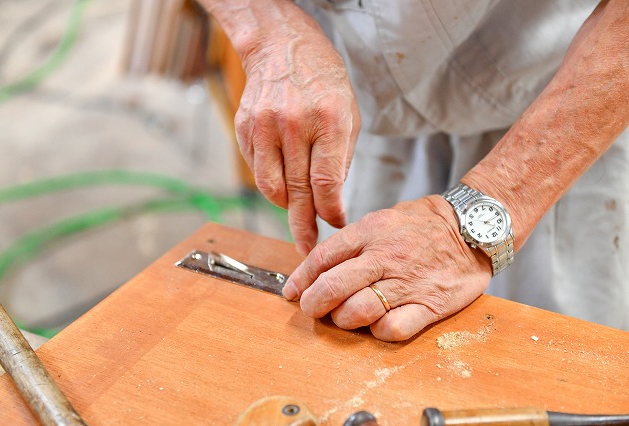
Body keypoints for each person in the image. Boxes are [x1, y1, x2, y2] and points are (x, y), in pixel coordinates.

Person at [198, 0, 629, 341]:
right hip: (354, 106)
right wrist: (269, 31)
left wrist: (483, 213)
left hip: (562, 120)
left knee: (547, 373)